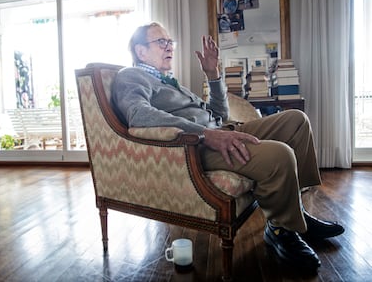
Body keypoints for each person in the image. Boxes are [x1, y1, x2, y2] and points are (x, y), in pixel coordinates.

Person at [112, 22, 344, 271]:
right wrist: (205, 135)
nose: (169, 47)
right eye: (161, 42)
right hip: (196, 147)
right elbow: (138, 115)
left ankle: (295, 212)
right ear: (141, 51)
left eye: (170, 42)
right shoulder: (131, 76)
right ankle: (281, 230)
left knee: (296, 121)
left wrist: (213, 75)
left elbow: (219, 115)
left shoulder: (168, 81)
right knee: (280, 155)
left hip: (222, 130)